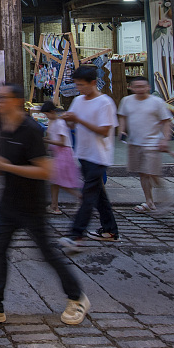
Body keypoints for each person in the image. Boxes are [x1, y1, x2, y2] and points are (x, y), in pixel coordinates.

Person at [0, 84, 90, 326]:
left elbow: (45, 170)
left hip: (31, 204)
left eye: (3, 98)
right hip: (8, 202)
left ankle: (77, 298)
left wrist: (5, 166)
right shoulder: (5, 127)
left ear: (16, 101)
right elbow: (10, 163)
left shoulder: (30, 129)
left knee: (47, 252)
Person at [59, 66, 120, 254]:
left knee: (88, 196)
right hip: (84, 154)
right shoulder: (78, 100)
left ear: (93, 83)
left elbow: (104, 131)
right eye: (77, 85)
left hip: (99, 156)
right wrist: (68, 119)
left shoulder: (105, 103)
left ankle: (76, 235)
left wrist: (78, 119)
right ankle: (110, 230)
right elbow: (72, 124)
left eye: (81, 85)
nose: (79, 88)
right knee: (98, 196)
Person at [118, 76, 174, 212]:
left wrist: (165, 139)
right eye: (137, 86)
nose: (140, 89)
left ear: (148, 87)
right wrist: (121, 130)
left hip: (152, 142)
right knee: (142, 173)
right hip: (134, 142)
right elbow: (122, 117)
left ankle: (164, 196)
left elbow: (166, 121)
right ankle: (149, 201)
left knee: (152, 172)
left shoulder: (156, 102)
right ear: (130, 87)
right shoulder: (126, 100)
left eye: (143, 86)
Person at [42, 102, 81, 214]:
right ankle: (54, 206)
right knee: (55, 181)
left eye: (46, 114)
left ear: (52, 112)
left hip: (64, 154)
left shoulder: (60, 123)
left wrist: (47, 141)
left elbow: (62, 142)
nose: (46, 116)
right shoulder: (53, 122)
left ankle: (81, 197)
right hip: (58, 154)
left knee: (61, 182)